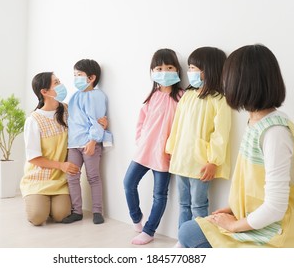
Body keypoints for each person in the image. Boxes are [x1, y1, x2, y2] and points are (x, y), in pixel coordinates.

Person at [178, 44, 294, 248]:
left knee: (189, 233)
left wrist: (234, 226)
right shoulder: (256, 122)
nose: (223, 82)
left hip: (275, 232)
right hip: (257, 218)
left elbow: (275, 207)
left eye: (227, 77)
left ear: (242, 82)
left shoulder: (274, 133)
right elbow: (252, 184)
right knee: (188, 231)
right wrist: (232, 208)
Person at [166, 47, 231, 230]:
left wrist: (214, 161)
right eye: (190, 68)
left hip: (201, 163)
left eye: (194, 68)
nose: (190, 72)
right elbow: (176, 125)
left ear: (208, 70)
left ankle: (199, 240)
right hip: (181, 159)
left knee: (198, 204)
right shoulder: (187, 96)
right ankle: (183, 238)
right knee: (183, 203)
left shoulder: (219, 100)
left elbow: (221, 134)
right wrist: (172, 149)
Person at [123, 48, 184, 245]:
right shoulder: (153, 96)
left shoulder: (182, 97)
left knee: (159, 194)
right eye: (159, 68)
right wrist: (141, 140)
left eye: (169, 67)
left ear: (177, 70)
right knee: (128, 182)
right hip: (145, 150)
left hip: (165, 153)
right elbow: (141, 121)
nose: (164, 71)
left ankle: (149, 231)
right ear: (152, 71)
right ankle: (136, 218)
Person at [20, 72, 80, 226]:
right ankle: (35, 200)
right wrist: (61, 165)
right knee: (38, 218)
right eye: (56, 82)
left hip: (60, 179)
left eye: (59, 81)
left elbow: (85, 123)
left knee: (62, 215)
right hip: (38, 178)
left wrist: (101, 123)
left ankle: (50, 205)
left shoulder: (68, 110)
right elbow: (33, 158)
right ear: (44, 92)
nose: (61, 85)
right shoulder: (33, 120)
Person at [62, 59, 112, 225]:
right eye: (74, 75)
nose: (76, 78)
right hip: (73, 144)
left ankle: (98, 211)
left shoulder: (97, 96)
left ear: (91, 78)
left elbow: (98, 121)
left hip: (89, 143)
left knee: (93, 177)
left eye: (79, 75)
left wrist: (92, 141)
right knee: (72, 177)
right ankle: (77, 211)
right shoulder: (75, 96)